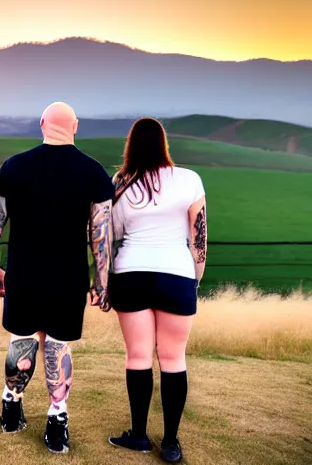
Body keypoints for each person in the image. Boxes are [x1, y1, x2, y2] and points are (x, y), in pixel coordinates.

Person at [0, 101, 114, 454]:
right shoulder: (93, 172)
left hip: (24, 274)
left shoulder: (14, 166)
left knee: (21, 338)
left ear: (42, 124)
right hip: (68, 277)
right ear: (75, 126)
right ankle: (57, 422)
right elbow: (102, 236)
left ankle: (11, 409)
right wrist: (102, 282)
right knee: (58, 345)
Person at [107, 117, 207, 463]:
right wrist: (193, 280)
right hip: (176, 276)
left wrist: (103, 283)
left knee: (138, 356)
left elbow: (112, 235)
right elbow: (199, 238)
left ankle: (138, 436)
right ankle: (171, 442)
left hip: (130, 273)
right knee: (173, 358)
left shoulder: (120, 182)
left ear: (130, 145)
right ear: (164, 143)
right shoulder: (190, 180)